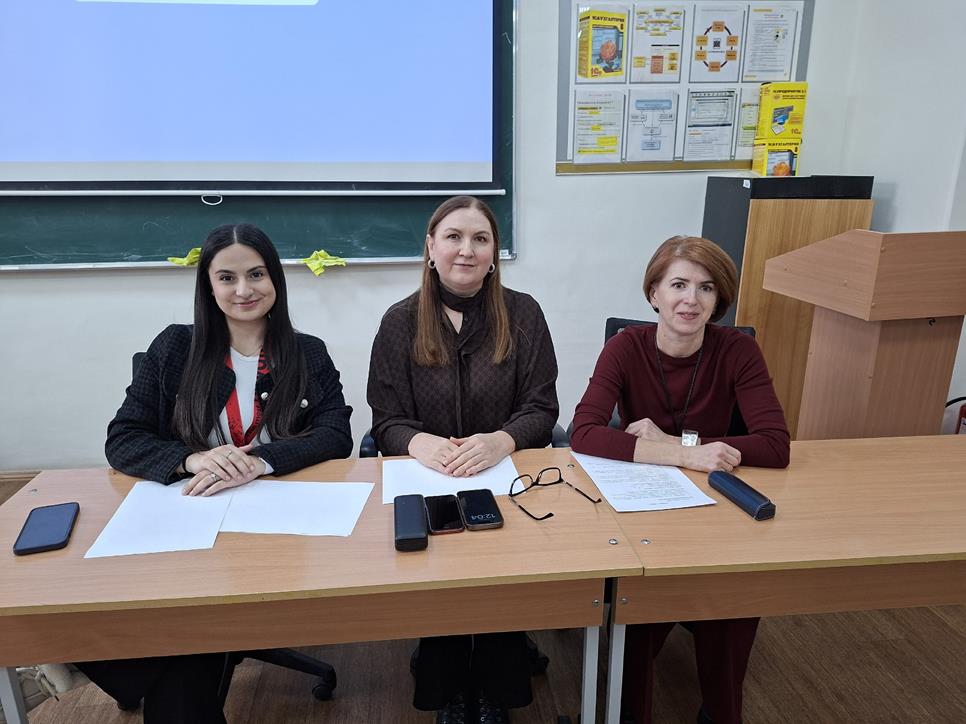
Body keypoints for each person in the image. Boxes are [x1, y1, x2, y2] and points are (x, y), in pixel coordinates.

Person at [80, 223, 353, 724]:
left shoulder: (307, 352)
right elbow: (123, 438)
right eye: (227, 278)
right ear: (208, 286)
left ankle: (154, 661)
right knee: (81, 612)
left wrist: (260, 462)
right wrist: (192, 459)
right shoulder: (174, 348)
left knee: (180, 654)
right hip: (188, 522)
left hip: (275, 531)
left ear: (275, 280)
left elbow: (336, 434)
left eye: (257, 274)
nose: (244, 289)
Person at [570, 235, 790, 724]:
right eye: (678, 285)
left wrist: (678, 446)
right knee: (642, 608)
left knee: (735, 603)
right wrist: (686, 454)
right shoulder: (625, 347)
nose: (691, 300)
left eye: (706, 288)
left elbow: (776, 445)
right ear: (654, 293)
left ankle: (721, 711)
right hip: (648, 510)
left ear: (718, 299)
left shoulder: (738, 351)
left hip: (719, 511)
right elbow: (583, 432)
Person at [367, 196, 559, 723]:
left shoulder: (524, 314)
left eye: (480, 239)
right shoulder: (399, 321)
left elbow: (542, 408)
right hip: (427, 479)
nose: (466, 250)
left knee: (499, 564)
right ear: (431, 247)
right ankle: (447, 686)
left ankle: (498, 688)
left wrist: (501, 440)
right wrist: (419, 443)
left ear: (494, 253)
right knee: (443, 570)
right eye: (453, 237)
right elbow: (385, 419)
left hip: (504, 477)